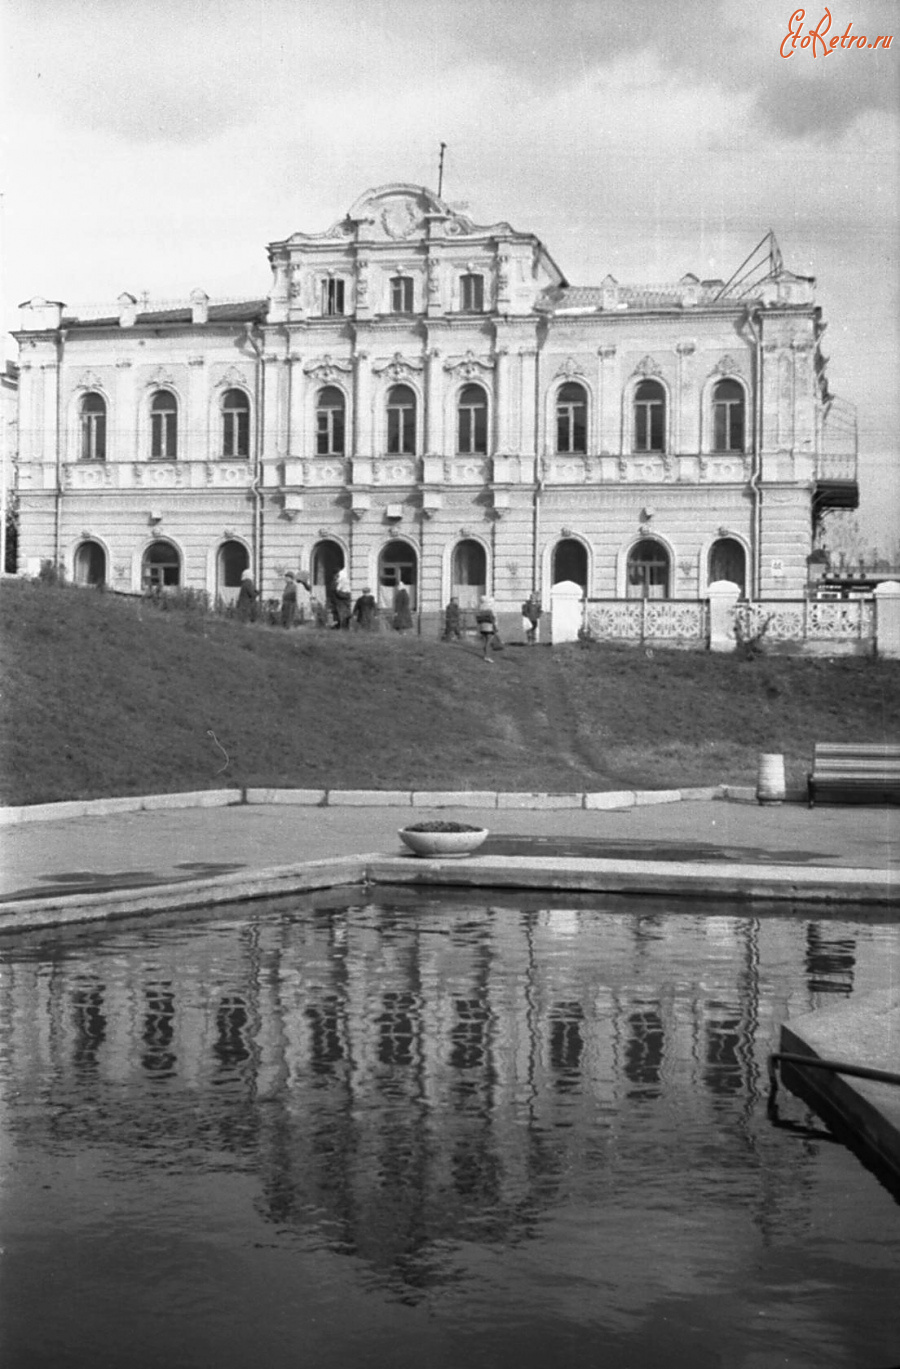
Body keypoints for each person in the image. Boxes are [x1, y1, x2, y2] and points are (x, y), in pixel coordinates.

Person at [475, 595, 498, 662]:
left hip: (482, 626)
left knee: (485, 641)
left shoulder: (480, 607)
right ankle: (487, 656)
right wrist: (495, 626)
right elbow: (494, 618)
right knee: (489, 641)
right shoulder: (490, 608)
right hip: (489, 626)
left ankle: (486, 655)